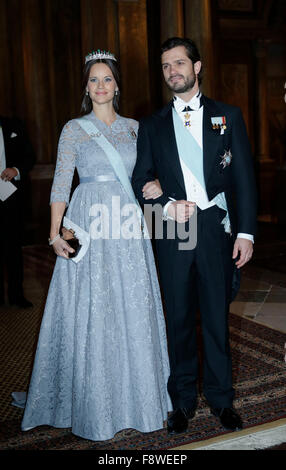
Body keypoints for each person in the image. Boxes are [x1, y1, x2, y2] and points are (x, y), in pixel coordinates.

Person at [21, 50, 171, 441]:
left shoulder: (138, 128)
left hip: (126, 225)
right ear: (86, 88)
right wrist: (55, 234)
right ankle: (92, 399)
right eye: (93, 80)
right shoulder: (73, 129)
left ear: (117, 84)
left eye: (107, 79)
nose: (101, 86)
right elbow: (60, 184)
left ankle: (137, 397)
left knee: (129, 305)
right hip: (87, 220)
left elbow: (151, 175)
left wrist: (157, 186)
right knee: (92, 306)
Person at [132, 37, 257, 434]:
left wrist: (246, 232)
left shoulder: (228, 116)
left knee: (217, 321)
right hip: (173, 233)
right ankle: (182, 402)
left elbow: (243, 180)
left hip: (214, 230)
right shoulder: (151, 125)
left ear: (197, 67)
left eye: (180, 63)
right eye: (167, 65)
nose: (173, 71)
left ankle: (222, 401)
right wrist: (166, 204)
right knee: (180, 321)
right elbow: (140, 181)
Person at [0, 116, 35, 308]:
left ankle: (16, 295)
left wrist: (16, 169)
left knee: (13, 248)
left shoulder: (14, 125)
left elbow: (30, 155)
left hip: (11, 197)